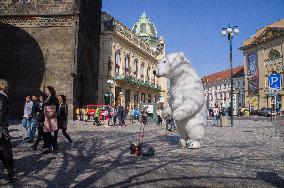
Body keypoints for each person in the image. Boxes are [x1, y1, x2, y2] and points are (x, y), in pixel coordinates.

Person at [0, 79, 19, 182]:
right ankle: (11, 174)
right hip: (1, 128)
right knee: (7, 151)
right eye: (6, 85)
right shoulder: (3, 97)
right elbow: (1, 113)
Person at [42, 86, 59, 154]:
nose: (45, 91)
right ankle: (52, 146)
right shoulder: (47, 98)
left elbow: (54, 107)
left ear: (50, 91)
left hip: (50, 117)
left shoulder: (53, 97)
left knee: (47, 133)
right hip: (46, 117)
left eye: (46, 90)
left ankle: (52, 146)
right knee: (46, 133)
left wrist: (51, 114)